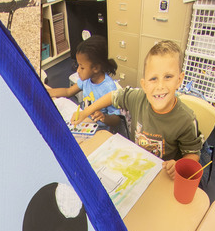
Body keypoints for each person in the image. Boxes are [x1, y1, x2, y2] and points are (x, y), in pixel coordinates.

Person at [73, 40, 202, 179]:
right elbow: (112, 96)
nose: (160, 86)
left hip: (163, 175)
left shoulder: (186, 119)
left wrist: (178, 165)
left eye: (168, 77)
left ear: (179, 80)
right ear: (144, 84)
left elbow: (193, 153)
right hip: (138, 166)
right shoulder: (138, 98)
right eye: (153, 79)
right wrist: (86, 112)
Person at [45, 35, 123, 132]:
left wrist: (104, 117)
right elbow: (68, 91)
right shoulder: (87, 79)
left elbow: (117, 120)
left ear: (96, 68)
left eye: (82, 67)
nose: (77, 70)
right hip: (84, 120)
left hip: (99, 130)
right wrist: (47, 92)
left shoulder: (108, 87)